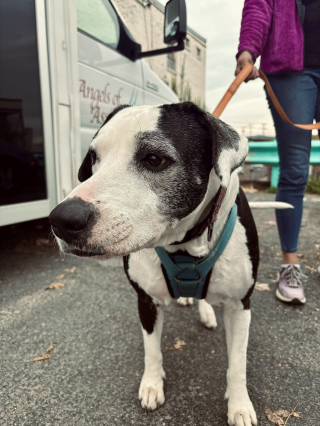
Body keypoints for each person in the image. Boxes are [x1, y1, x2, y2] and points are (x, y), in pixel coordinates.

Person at [235, 0, 320, 305]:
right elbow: (259, 7)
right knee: (296, 169)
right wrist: (248, 50)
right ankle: (290, 265)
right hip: (290, 71)